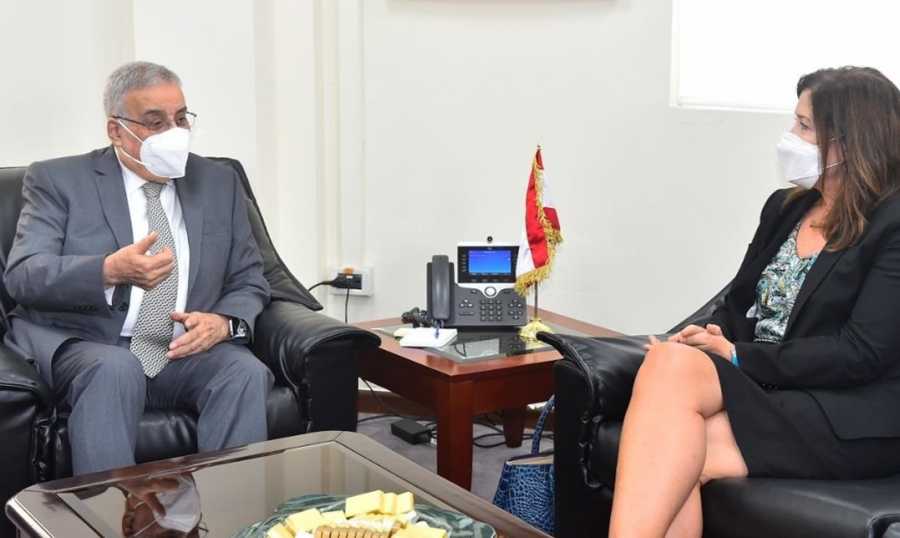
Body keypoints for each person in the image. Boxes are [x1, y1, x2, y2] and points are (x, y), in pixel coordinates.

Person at [609, 66, 900, 538]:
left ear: (848, 143)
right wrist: (713, 335)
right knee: (673, 417)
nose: (791, 136)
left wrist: (739, 356)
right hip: (773, 393)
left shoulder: (891, 224)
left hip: (848, 413)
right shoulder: (786, 207)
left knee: (672, 441)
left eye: (804, 126)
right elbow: (740, 299)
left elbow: (861, 353)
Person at [3, 61, 273, 475]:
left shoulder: (218, 181)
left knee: (242, 371)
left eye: (181, 119)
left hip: (178, 349)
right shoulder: (58, 180)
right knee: (116, 369)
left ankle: (231, 505)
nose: (174, 133)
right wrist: (107, 271)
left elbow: (249, 276)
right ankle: (108, 508)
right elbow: (24, 274)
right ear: (116, 130)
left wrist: (223, 322)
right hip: (87, 343)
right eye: (155, 122)